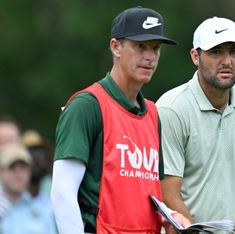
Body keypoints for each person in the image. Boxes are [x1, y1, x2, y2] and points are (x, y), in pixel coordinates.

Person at [50, 6, 190, 234]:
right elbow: (62, 193)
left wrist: (171, 215)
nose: (150, 56)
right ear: (115, 47)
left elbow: (145, 192)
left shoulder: (153, 114)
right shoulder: (87, 106)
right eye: (140, 46)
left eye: (155, 48)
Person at [156, 16, 235, 234]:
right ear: (195, 56)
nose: (227, 61)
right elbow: (168, 195)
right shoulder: (172, 108)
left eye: (234, 51)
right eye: (216, 52)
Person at [0, 143, 56, 233]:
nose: (18, 173)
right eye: (12, 167)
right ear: (1, 171)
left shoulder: (41, 212)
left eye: (23, 167)